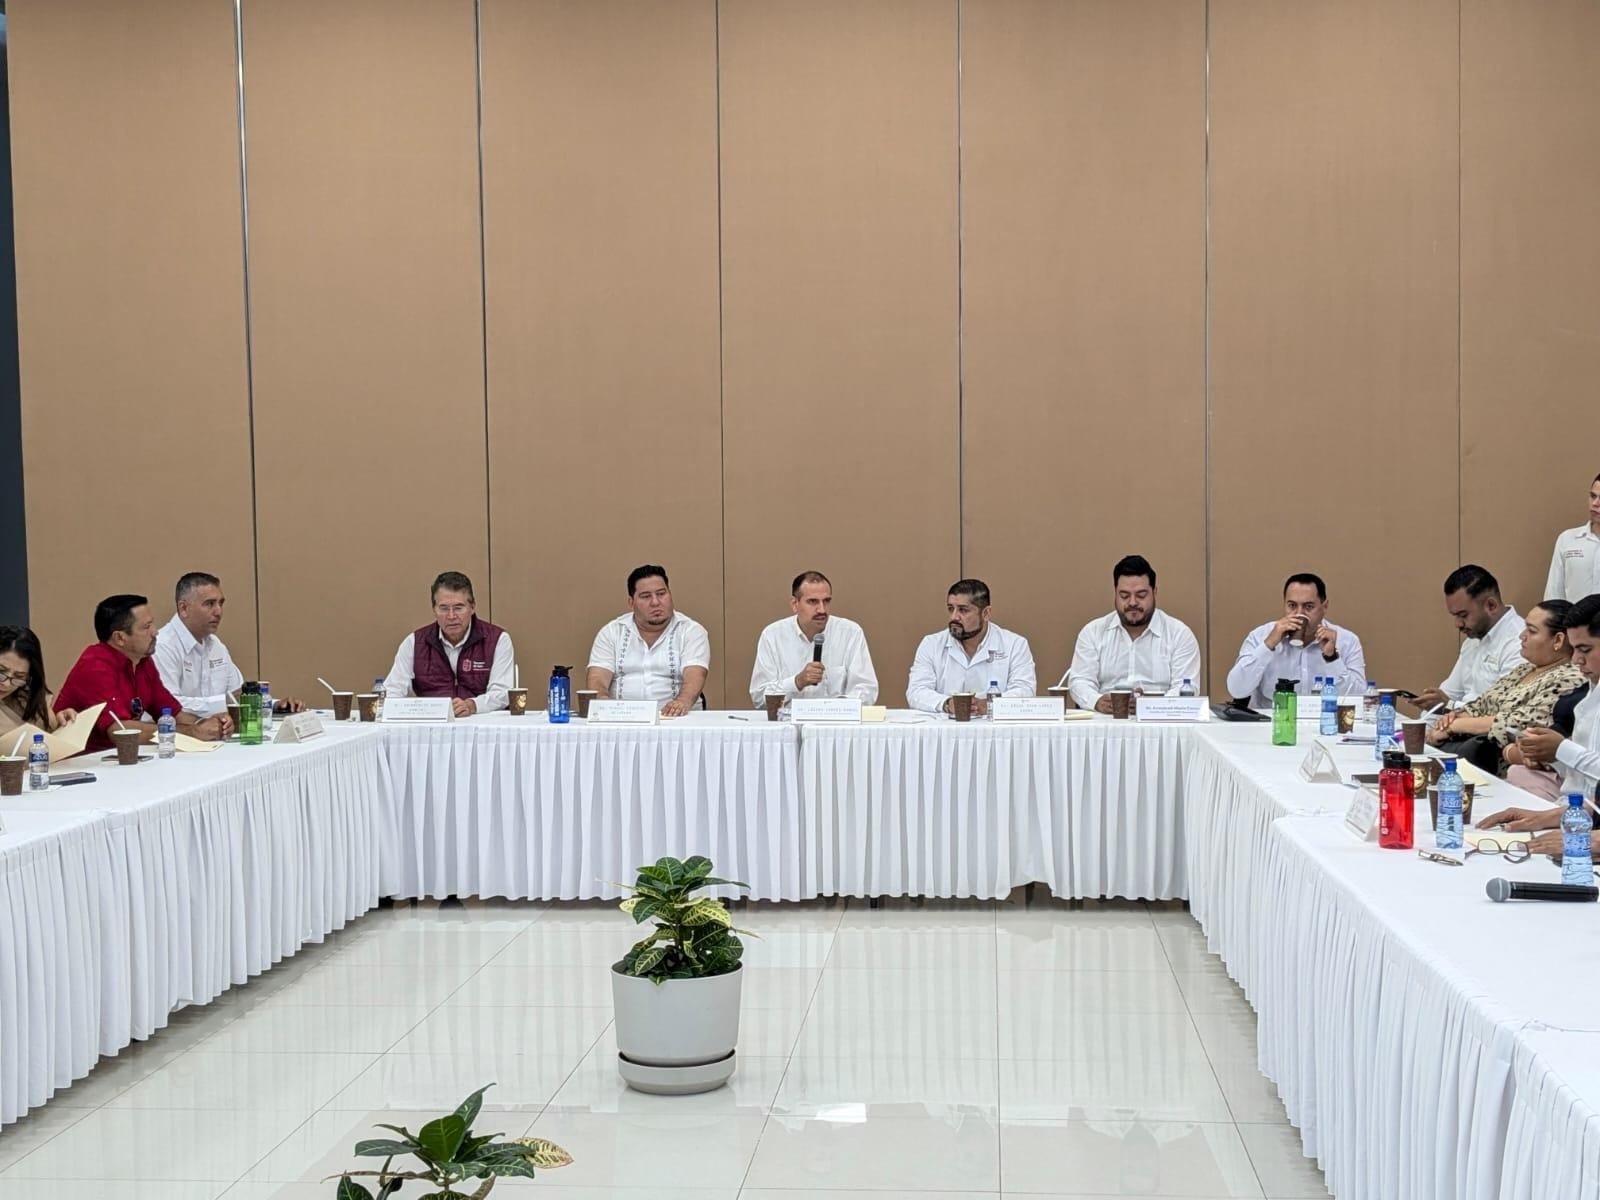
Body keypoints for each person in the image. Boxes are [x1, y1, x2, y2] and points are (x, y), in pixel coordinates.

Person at [1479, 595, 1600, 828]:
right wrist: (1547, 756)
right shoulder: (1590, 694)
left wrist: (1561, 749)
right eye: (1574, 649)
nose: (1576, 660)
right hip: (1574, 811)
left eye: (1585, 649)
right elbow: (1582, 781)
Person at [1426, 601, 1585, 774]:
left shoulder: (1571, 678)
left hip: (1507, 768)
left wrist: (1454, 726)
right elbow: (1480, 705)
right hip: (1473, 754)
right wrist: (1449, 722)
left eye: (1531, 631)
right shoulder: (1524, 669)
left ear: (1558, 640)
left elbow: (1516, 724)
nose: (1522, 636)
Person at [54, 595, 228, 751]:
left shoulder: (142, 661)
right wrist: (191, 732)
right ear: (120, 638)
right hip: (85, 762)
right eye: (146, 627)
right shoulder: (95, 666)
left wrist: (207, 725)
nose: (155, 632)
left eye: (152, 623)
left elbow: (172, 713)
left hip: (122, 757)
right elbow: (120, 730)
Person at [152, 572, 303, 719]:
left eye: (221, 603)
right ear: (184, 608)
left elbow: (238, 695)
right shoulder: (162, 646)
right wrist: (222, 703)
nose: (218, 612)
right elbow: (168, 705)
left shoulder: (216, 645)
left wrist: (274, 705)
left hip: (217, 731)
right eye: (209, 604)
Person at [1064, 555, 1202, 712]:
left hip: (1161, 721)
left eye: (1141, 595)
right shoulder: (1093, 632)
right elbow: (1080, 681)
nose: (1132, 602)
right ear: (1115, 593)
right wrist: (1097, 701)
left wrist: (1152, 705)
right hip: (1105, 720)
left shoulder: (1179, 635)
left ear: (1154, 592)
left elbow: (1187, 687)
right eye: (1124, 595)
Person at [382, 571, 514, 718]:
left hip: (481, 722)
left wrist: (473, 705)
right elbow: (392, 691)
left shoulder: (498, 639)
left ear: (472, 607)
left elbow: (502, 693)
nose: (451, 616)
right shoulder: (414, 642)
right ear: (434, 609)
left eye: (459, 608)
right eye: (444, 608)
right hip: (432, 725)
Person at [1224, 573, 1366, 708]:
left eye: (1308, 607)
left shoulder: (1347, 640)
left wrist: (1332, 658)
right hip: (1271, 720)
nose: (1299, 614)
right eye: (1292, 605)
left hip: (1323, 719)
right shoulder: (1260, 636)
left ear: (1324, 607)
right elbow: (1237, 690)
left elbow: (1358, 697)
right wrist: (1269, 645)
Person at [587, 564, 710, 717]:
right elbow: (597, 678)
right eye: (646, 596)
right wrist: (603, 702)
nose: (655, 602)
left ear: (670, 594)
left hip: (677, 718)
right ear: (631, 602)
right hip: (623, 718)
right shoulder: (612, 632)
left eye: (661, 594)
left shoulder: (691, 631)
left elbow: (695, 675)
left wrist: (682, 702)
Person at [907, 579, 1037, 715]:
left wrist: (990, 704)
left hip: (994, 726)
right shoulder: (931, 644)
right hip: (945, 726)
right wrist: (947, 703)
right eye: (951, 609)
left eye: (963, 610)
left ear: (986, 613)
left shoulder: (1015, 645)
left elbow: (1025, 691)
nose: (954, 617)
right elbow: (916, 691)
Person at [748, 571, 878, 706]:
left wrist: (834, 708)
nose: (822, 610)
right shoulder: (772, 636)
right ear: (794, 604)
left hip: (835, 718)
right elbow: (760, 698)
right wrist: (797, 682)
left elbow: (866, 690)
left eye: (826, 601)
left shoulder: (850, 633)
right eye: (812, 601)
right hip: (788, 719)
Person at [1409, 565, 1527, 712]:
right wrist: (1426, 719)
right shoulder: (1472, 639)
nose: (1458, 624)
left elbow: (1506, 712)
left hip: (1487, 726)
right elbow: (1449, 694)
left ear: (1491, 606)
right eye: (1455, 616)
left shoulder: (1521, 642)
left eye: (1463, 615)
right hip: (1458, 723)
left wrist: (1449, 706)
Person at [0, 625, 77, 740]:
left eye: (19, 676)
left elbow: (50, 736)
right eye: (1, 671)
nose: (7, 684)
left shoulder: (25, 695)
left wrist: (62, 724)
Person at [1544, 472, 1600, 603]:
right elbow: (1553, 595)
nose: (1595, 503)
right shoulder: (1567, 539)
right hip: (1571, 616)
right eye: (1593, 496)